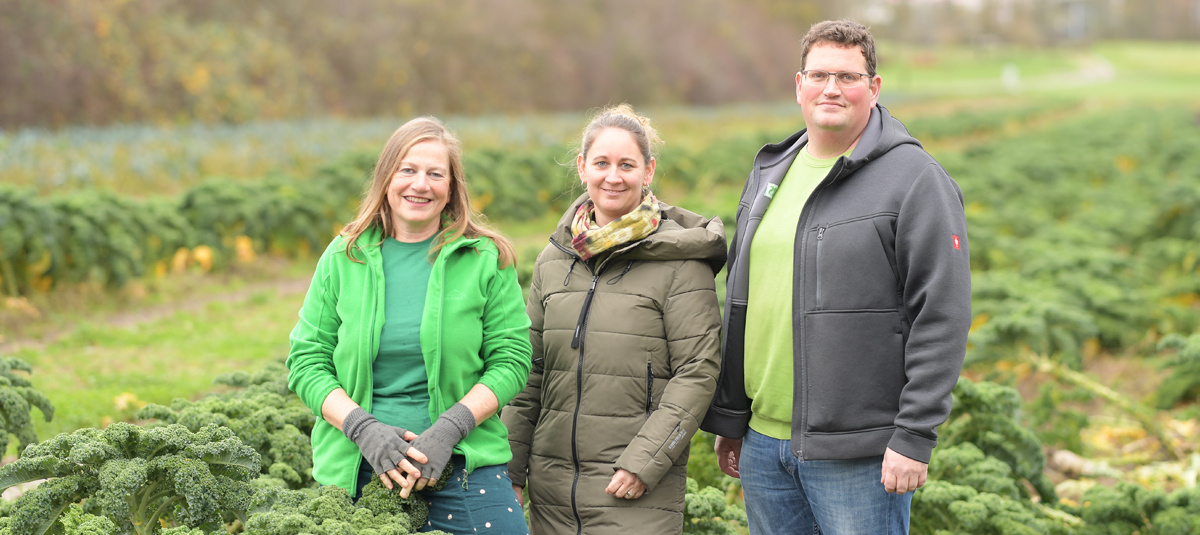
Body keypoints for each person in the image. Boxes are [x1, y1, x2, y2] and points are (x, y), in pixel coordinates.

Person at [699, 20, 972, 535]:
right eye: (819, 74)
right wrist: (732, 417)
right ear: (798, 84)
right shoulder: (770, 172)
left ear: (874, 87)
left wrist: (914, 435)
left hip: (859, 454)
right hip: (763, 446)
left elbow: (943, 312)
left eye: (847, 76)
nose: (831, 88)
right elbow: (741, 299)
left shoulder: (915, 180)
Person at [287, 116, 533, 534]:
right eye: (408, 170)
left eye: (435, 174)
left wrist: (450, 429)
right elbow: (306, 361)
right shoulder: (343, 257)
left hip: (463, 461)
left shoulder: (485, 259)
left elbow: (511, 360)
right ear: (386, 178)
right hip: (359, 466)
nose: (420, 185)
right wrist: (363, 430)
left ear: (452, 188)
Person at [501, 104, 726, 534]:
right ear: (583, 168)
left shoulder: (682, 263)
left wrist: (644, 463)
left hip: (633, 490)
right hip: (551, 494)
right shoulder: (554, 260)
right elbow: (528, 374)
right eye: (602, 163)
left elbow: (697, 372)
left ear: (649, 170)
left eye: (627, 164)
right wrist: (511, 471)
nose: (613, 176)